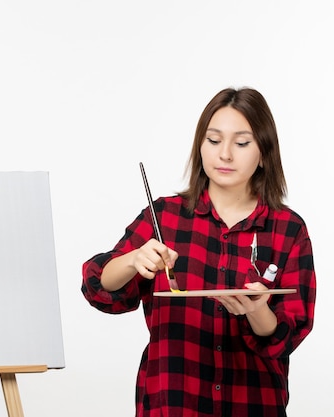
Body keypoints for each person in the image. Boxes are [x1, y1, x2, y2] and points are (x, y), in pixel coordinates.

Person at [81, 87, 316, 417]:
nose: (225, 155)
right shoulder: (164, 217)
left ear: (263, 152)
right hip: (173, 403)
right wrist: (133, 260)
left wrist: (257, 310)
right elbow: (99, 288)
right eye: (214, 140)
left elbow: (285, 336)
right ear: (200, 146)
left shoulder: (288, 229)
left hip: (253, 404)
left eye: (242, 142)